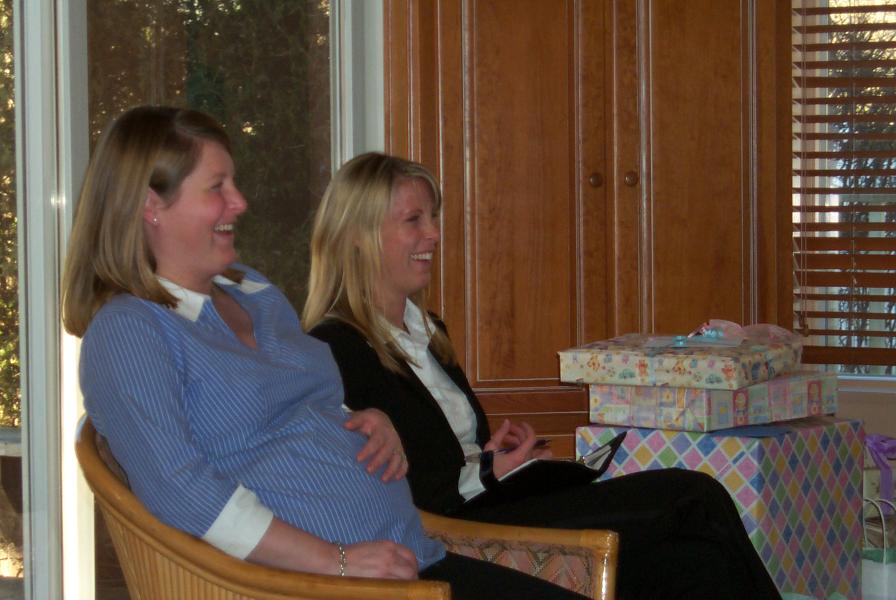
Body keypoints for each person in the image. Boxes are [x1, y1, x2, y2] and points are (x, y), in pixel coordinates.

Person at [61, 106, 590, 600]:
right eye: (217, 187)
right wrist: (335, 561)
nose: (239, 202)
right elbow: (179, 488)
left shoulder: (253, 291)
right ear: (151, 205)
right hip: (318, 586)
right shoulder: (129, 331)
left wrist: (363, 419)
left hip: (411, 557)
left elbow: (294, 406)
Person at [304, 151, 784, 600]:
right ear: (359, 236)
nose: (433, 234)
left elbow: (448, 454)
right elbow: (384, 492)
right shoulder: (334, 350)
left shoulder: (430, 332)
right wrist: (486, 473)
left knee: (695, 561)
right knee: (693, 494)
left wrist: (500, 460)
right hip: (459, 531)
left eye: (433, 217)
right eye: (414, 220)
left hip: (494, 503)